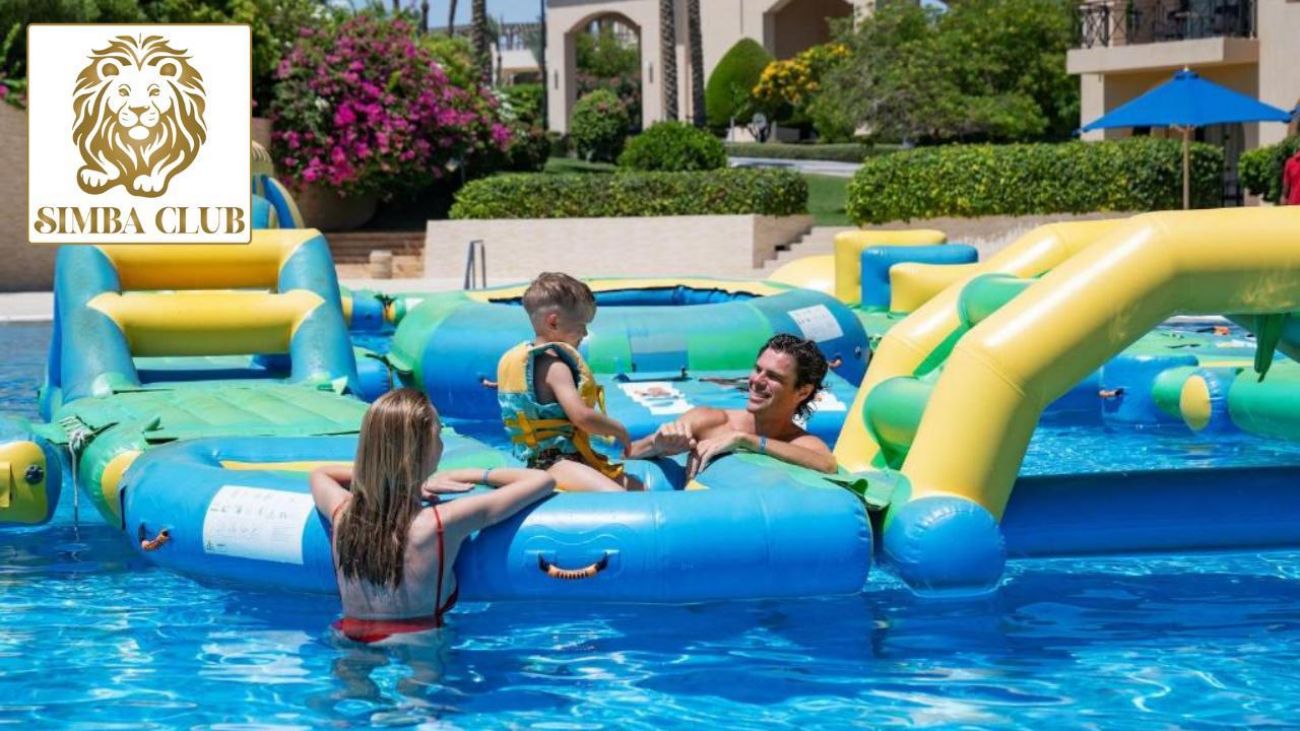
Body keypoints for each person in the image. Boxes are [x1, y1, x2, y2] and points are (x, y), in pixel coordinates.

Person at [311, 388, 555, 644]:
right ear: (422, 449)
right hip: (417, 643)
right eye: (438, 434)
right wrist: (471, 474)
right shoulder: (441, 522)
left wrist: (392, 477)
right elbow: (542, 480)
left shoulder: (343, 514)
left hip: (346, 635)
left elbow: (320, 474)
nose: (441, 444)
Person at [496, 272, 642, 492]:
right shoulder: (556, 367)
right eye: (581, 325)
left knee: (638, 488)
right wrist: (618, 429)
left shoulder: (525, 362)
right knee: (620, 498)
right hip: (555, 463)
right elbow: (582, 417)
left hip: (552, 460)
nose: (585, 333)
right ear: (553, 322)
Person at [629, 333, 838, 478]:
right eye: (758, 369)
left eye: (773, 376)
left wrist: (746, 440)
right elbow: (627, 454)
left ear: (803, 392)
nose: (757, 380)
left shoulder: (800, 442)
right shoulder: (709, 421)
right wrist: (656, 445)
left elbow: (828, 465)